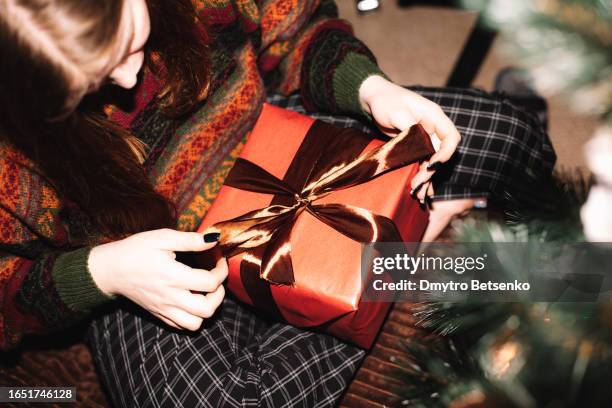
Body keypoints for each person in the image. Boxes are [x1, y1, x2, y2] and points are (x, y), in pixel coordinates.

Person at [0, 0, 554, 406]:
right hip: (147, 262)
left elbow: (299, 30)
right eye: (91, 80)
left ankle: (583, 298)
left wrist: (371, 89)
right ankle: (403, 256)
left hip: (274, 141)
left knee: (513, 135)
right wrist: (104, 272)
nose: (129, 77)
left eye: (135, 41)